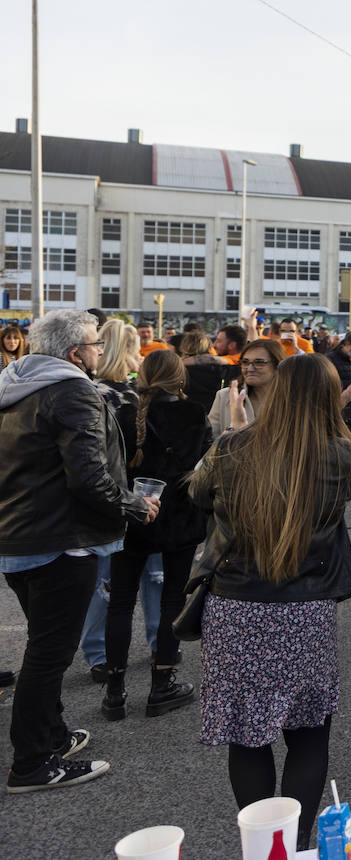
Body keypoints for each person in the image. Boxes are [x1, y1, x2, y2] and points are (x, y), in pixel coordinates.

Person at [189, 354, 351, 852]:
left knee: (248, 734)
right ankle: (298, 843)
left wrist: (235, 433)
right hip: (305, 608)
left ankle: (260, 843)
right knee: (309, 732)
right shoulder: (344, 455)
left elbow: (199, 494)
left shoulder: (232, 447)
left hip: (237, 606)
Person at [0, 309, 158, 793]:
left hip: (19, 536)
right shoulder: (70, 390)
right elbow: (89, 476)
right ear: (74, 353)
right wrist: (135, 504)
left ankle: (51, 737)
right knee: (48, 655)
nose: (98, 351)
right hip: (60, 541)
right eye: (94, 344)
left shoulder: (13, 382)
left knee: (45, 648)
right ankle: (31, 764)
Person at [101, 351, 211, 722]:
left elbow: (108, 464)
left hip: (131, 514)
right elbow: (205, 466)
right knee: (171, 600)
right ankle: (162, 683)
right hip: (179, 517)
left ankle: (114, 690)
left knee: (119, 602)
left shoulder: (126, 413)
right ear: (180, 377)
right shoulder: (195, 413)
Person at [83, 321, 160, 684]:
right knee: (128, 579)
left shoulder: (108, 391)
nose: (140, 353)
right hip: (125, 496)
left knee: (108, 582)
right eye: (135, 346)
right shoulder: (113, 394)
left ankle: (100, 655)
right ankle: (152, 645)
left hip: (112, 497)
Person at [208, 338, 287, 436]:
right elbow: (210, 442)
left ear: (277, 365)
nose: (250, 368)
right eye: (245, 362)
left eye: (259, 362)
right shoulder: (224, 396)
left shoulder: (292, 400)